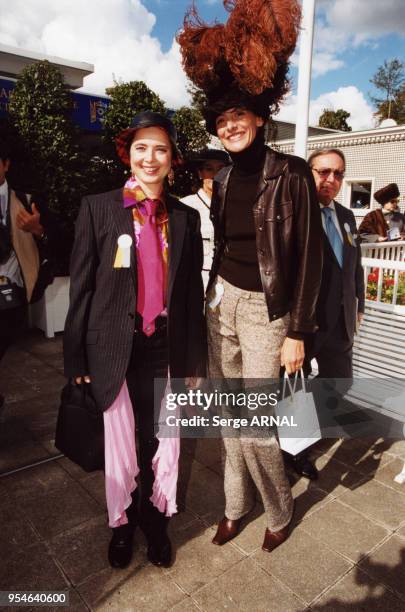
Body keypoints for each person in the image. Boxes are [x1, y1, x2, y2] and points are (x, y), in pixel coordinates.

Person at [177, 0, 323, 552]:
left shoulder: (291, 174)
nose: (229, 125)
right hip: (223, 305)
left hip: (268, 311)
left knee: (257, 423)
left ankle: (280, 510)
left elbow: (311, 257)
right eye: (221, 120)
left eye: (238, 116)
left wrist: (299, 331)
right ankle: (235, 507)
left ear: (260, 117)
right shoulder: (225, 178)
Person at [63, 112, 206, 570]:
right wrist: (75, 356)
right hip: (112, 346)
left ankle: (155, 519)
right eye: (142, 147)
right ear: (129, 154)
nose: (151, 157)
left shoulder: (184, 218)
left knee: (161, 439)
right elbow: (81, 288)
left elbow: (190, 298)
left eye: (160, 149)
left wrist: (194, 362)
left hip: (164, 347)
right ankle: (121, 524)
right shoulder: (99, 207)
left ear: (172, 159)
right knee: (120, 443)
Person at [298, 148, 366, 477]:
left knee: (339, 382)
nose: (331, 179)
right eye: (323, 171)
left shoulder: (346, 216)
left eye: (338, 173)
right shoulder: (297, 213)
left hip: (341, 320)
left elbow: (356, 266)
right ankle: (294, 451)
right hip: (306, 321)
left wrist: (359, 305)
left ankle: (312, 429)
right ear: (309, 172)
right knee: (293, 387)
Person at [0, 142, 55, 414]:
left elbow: (58, 244)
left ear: (6, 164)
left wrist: (37, 230)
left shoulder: (27, 200)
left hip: (14, 296)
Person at [181, 149, 230, 288]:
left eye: (221, 169)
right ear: (200, 173)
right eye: (209, 169)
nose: (216, 175)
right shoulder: (186, 207)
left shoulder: (236, 207)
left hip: (228, 285)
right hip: (198, 283)